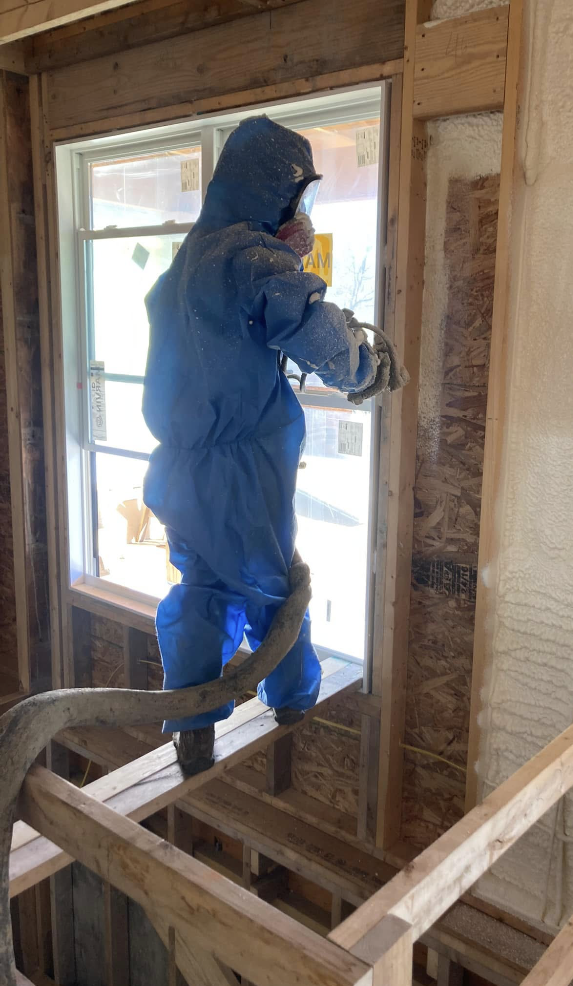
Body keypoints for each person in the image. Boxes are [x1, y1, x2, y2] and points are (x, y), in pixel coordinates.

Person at [142, 116, 387, 774]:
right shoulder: (249, 258)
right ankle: (292, 698)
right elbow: (308, 325)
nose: (300, 213)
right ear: (266, 195)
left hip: (181, 470)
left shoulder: (191, 261)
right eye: (294, 199)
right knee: (272, 587)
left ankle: (193, 727)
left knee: (203, 585)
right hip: (240, 473)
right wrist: (365, 365)